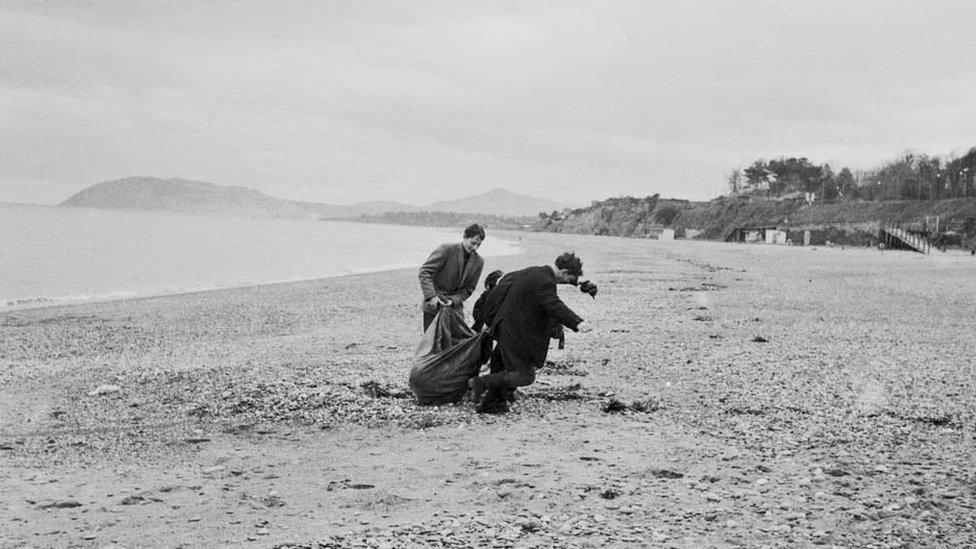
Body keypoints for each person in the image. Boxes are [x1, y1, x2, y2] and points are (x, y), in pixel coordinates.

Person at [469, 252, 592, 413]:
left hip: (503, 326)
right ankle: (481, 383)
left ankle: (492, 404)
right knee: (525, 376)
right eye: (570, 278)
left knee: (500, 365)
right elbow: (553, 305)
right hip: (515, 332)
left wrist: (489, 321)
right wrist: (578, 323)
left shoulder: (532, 271)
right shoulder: (546, 282)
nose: (569, 282)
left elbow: (502, 287)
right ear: (564, 272)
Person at [418, 223, 486, 331]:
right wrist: (432, 296)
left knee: (456, 344)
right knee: (431, 343)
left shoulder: (479, 262)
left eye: (478, 245)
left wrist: (453, 301)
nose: (475, 247)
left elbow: (469, 289)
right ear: (464, 237)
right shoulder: (446, 249)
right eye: (472, 243)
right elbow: (425, 272)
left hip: (455, 308)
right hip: (434, 305)